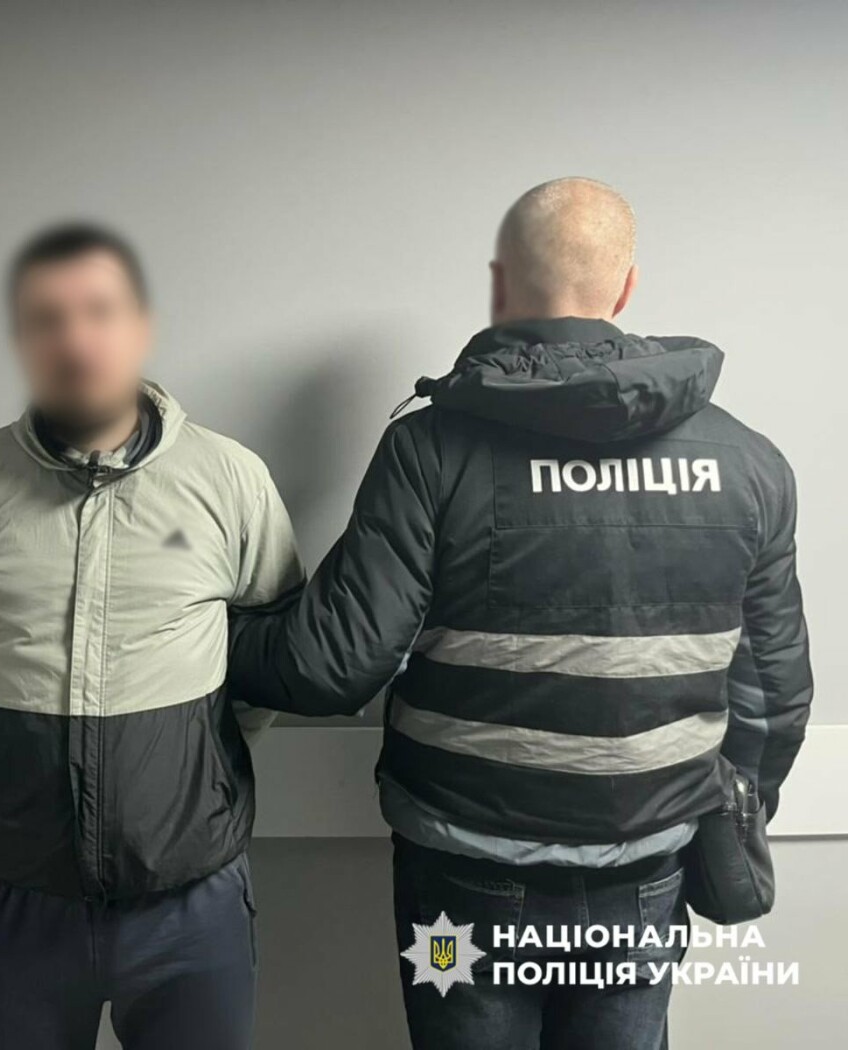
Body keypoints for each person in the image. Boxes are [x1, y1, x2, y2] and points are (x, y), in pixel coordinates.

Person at [229, 178, 813, 1050]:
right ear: (626, 287)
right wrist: (726, 815)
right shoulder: (748, 464)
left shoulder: (431, 450)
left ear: (501, 286)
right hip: (647, 872)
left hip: (460, 880)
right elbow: (776, 696)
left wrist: (201, 636)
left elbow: (330, 666)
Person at [0, 222, 303, 1050]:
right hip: (16, 901)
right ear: (23, 340)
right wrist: (0, 765)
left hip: (191, 904)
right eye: (47, 319)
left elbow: (269, 659)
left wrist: (193, 767)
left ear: (140, 326)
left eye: (99, 311)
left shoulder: (231, 480)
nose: (76, 339)